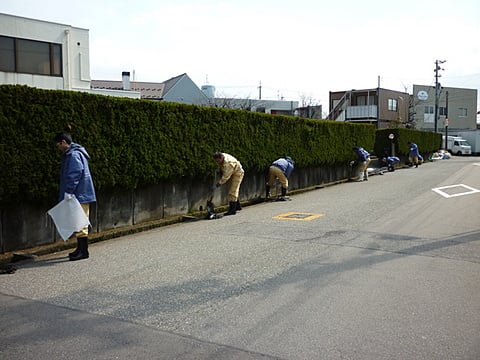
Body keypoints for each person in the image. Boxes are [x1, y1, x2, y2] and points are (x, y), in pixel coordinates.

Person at [55, 132, 96, 261]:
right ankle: (80, 249)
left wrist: (68, 191)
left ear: (63, 142)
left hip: (79, 194)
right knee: (79, 222)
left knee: (81, 223)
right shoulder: (76, 153)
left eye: (58, 144)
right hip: (81, 193)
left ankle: (83, 251)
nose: (58, 147)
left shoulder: (73, 155)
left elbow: (74, 175)